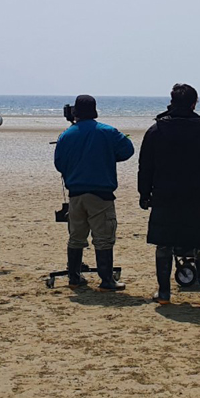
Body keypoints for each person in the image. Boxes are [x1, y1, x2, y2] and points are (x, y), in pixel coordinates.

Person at [137, 83, 200, 305]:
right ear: (194, 104)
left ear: (171, 102)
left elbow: (145, 166)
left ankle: (164, 293)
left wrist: (144, 193)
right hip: (197, 195)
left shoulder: (156, 130)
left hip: (164, 195)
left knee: (164, 243)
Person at [53, 94, 135, 290]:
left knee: (76, 236)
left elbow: (59, 164)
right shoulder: (107, 131)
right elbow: (128, 150)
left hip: (76, 193)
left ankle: (74, 277)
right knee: (103, 237)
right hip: (100, 192)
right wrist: (107, 156)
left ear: (75, 112)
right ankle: (107, 280)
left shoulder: (66, 135)